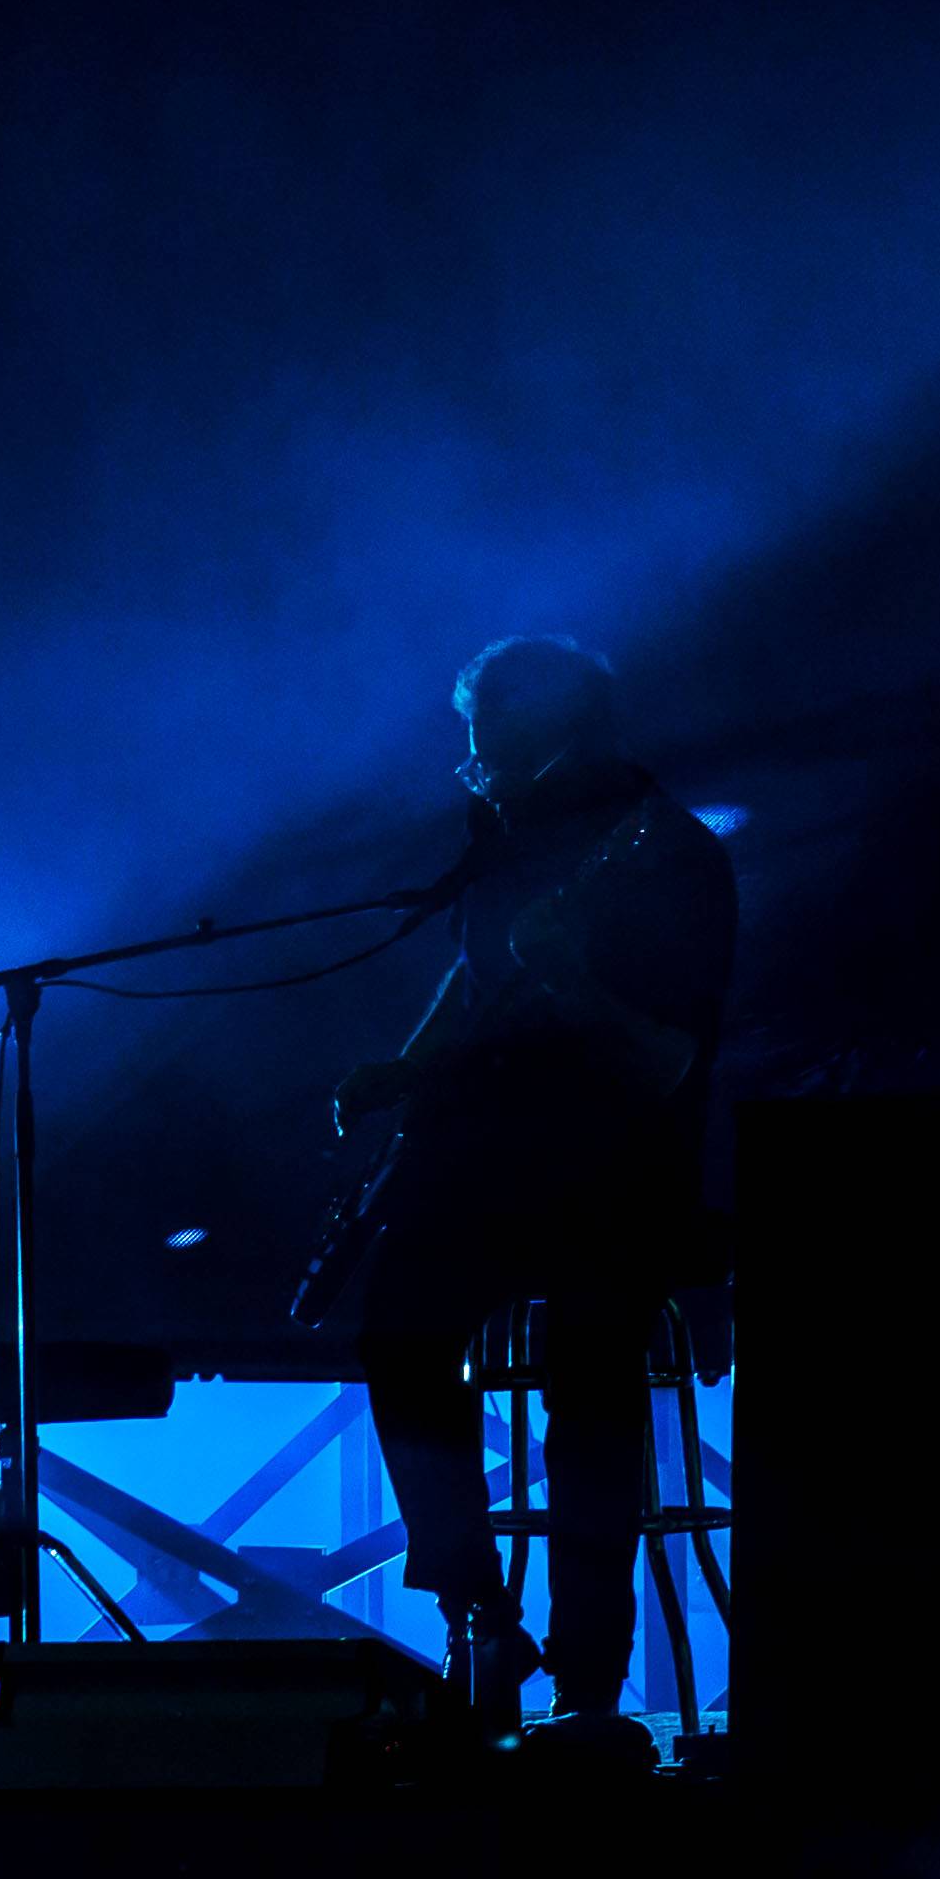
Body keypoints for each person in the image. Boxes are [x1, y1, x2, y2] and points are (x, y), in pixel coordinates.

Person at [333, 634, 735, 1730]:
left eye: (488, 746)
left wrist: (573, 984)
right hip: (491, 1172)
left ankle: (590, 1679)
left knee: (590, 1390)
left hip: (619, 1178)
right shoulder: (508, 846)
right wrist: (406, 1068)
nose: (475, 770)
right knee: (398, 1334)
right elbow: (477, 979)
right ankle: (478, 1612)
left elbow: (669, 1062)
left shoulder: (673, 859)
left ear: (550, 738)